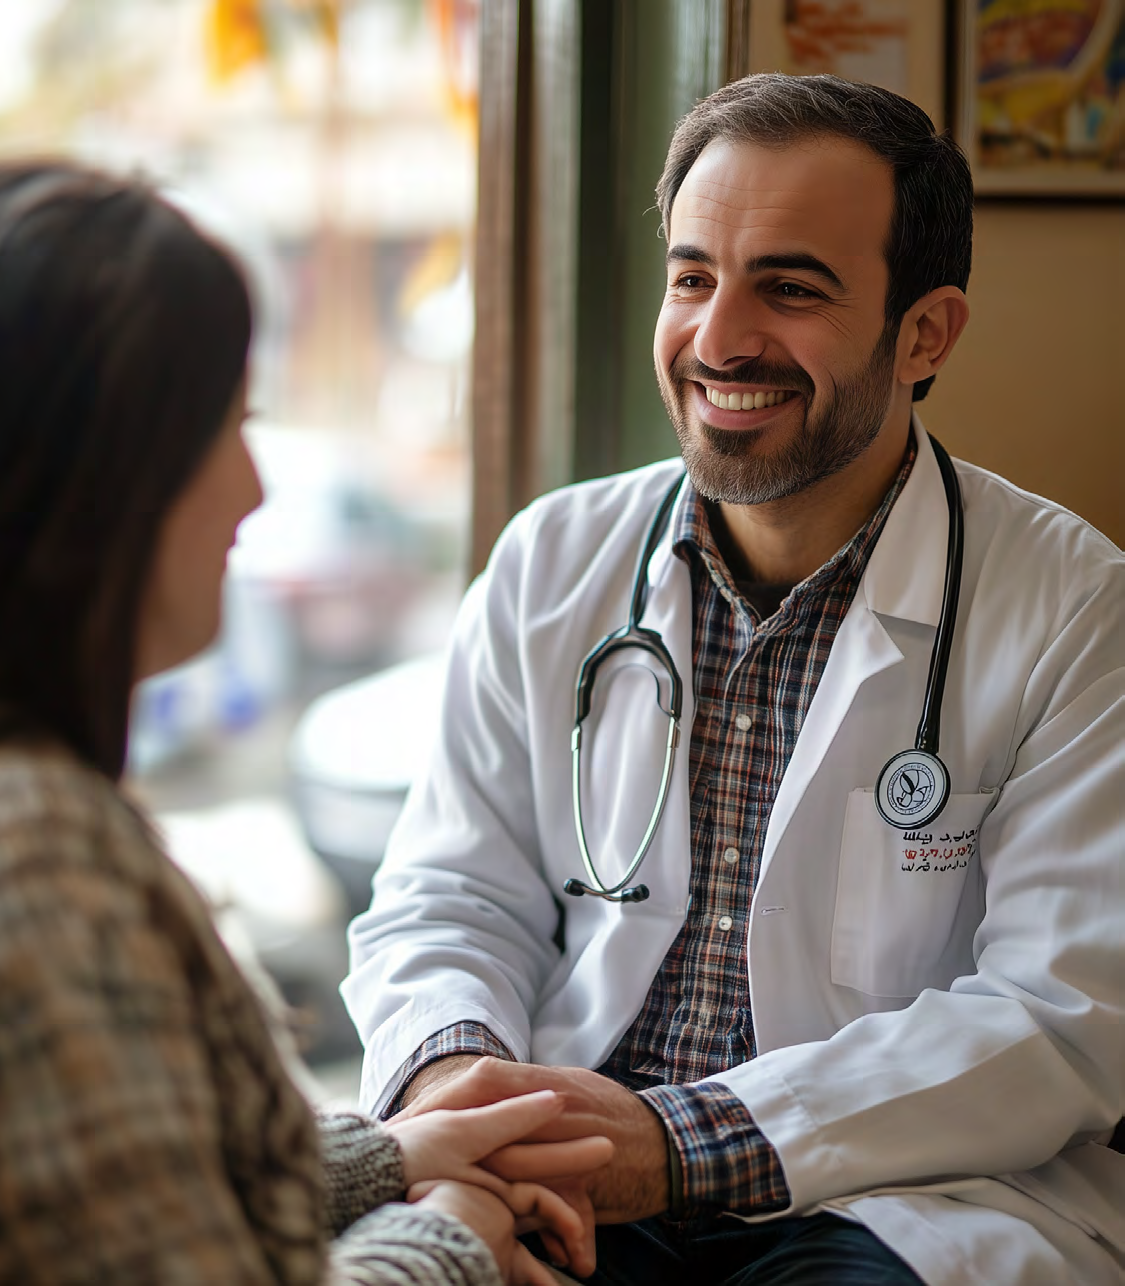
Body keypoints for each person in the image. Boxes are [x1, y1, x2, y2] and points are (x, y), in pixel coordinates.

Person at [343, 73, 1125, 1285]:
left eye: (789, 286)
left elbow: (1061, 1011)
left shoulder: (1072, 605)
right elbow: (446, 897)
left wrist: (673, 1141)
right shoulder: (551, 559)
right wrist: (465, 1094)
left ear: (923, 334)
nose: (716, 340)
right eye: (693, 276)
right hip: (565, 1174)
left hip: (889, 1195)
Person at [0, 158, 615, 1284]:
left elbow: (72, 1175)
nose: (254, 488)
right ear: (93, 479)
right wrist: (452, 1233)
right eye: (229, 423)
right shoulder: (15, 852)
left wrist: (381, 1159)